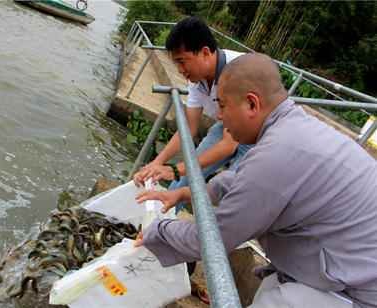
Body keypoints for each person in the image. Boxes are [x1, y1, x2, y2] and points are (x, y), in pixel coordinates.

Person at [135, 53, 377, 308]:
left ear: (252, 104)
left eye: (223, 105)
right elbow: (240, 182)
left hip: (360, 291)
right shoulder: (294, 128)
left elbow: (212, 238)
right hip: (347, 267)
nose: (219, 116)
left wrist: (155, 230)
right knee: (269, 290)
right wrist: (183, 194)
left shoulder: (278, 152)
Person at [133, 16, 252, 213]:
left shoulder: (238, 71)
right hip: (227, 128)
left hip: (258, 140)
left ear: (205, 53)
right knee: (187, 176)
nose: (180, 71)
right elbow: (188, 127)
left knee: (232, 195)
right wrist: (157, 163)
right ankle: (160, 224)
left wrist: (173, 169)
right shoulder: (196, 79)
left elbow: (228, 145)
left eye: (182, 62)